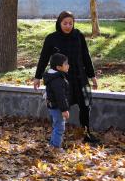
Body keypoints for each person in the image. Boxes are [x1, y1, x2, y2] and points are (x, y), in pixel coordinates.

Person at [33, 11, 100, 144]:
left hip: (80, 77)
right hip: (61, 80)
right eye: (65, 23)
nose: (68, 26)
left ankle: (86, 133)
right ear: (59, 23)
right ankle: (57, 137)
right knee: (60, 108)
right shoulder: (52, 38)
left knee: (86, 106)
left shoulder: (78, 35)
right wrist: (37, 77)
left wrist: (92, 76)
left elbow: (86, 55)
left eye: (70, 23)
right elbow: (43, 58)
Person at [44, 53, 71, 152]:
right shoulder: (57, 80)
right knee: (59, 127)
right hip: (57, 107)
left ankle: (52, 144)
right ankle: (56, 147)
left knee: (56, 126)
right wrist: (64, 109)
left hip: (53, 106)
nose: (68, 65)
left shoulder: (53, 77)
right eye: (66, 64)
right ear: (59, 67)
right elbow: (60, 96)